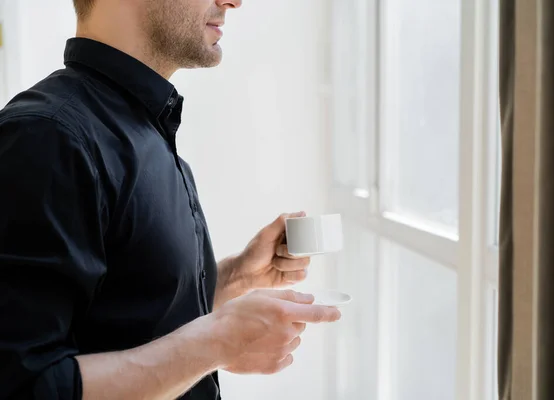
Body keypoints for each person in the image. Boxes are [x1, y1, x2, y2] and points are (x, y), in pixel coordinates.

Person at [0, 0, 342, 399]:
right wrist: (217, 342)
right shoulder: (47, 138)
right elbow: (25, 387)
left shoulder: (144, 127)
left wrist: (235, 278)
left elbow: (125, 319)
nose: (234, 0)